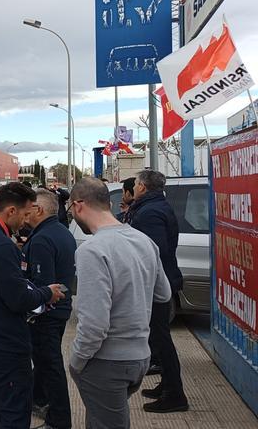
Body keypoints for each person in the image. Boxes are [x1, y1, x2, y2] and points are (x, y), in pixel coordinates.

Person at [67, 177, 172, 428]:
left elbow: (94, 325)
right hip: (139, 358)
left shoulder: (92, 250)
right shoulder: (143, 240)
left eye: (70, 208)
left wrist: (76, 361)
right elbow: (164, 294)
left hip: (107, 363)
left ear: (79, 205)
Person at [0, 182, 65, 428]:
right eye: (25, 214)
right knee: (14, 411)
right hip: (5, 343)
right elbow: (18, 299)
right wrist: (46, 294)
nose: (26, 221)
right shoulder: (1, 245)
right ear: (10, 211)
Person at [128, 170, 188, 413]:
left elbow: (153, 252)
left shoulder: (150, 211)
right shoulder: (154, 206)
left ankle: (175, 395)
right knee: (159, 339)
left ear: (142, 187)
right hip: (160, 280)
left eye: (136, 184)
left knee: (162, 341)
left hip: (157, 283)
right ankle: (167, 385)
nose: (133, 187)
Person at [23, 189, 76, 429]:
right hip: (60, 310)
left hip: (47, 313)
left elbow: (45, 284)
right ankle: (38, 398)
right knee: (45, 362)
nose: (25, 213)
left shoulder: (43, 239)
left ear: (40, 210)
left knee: (50, 365)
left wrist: (31, 311)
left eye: (29, 208)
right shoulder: (62, 232)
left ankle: (59, 420)